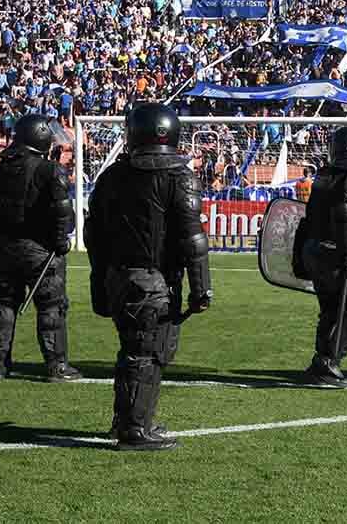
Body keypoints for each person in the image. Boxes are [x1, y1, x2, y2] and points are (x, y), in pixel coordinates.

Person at [85, 103, 213, 451]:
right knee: (146, 353)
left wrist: (99, 282)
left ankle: (130, 419)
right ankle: (135, 429)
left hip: (119, 277)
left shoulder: (112, 176)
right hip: (154, 281)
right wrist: (202, 287)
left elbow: (93, 234)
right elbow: (192, 238)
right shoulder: (179, 177)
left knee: (138, 350)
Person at [0, 114, 81, 383]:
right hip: (40, 252)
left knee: (4, 303)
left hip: (4, 249)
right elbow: (62, 213)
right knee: (51, 307)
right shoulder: (49, 170)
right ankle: (56, 366)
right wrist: (60, 240)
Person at [294, 125, 347, 388]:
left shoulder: (324, 176)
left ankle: (321, 362)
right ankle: (326, 364)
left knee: (331, 310)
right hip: (334, 253)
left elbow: (311, 218)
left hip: (315, 250)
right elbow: (345, 214)